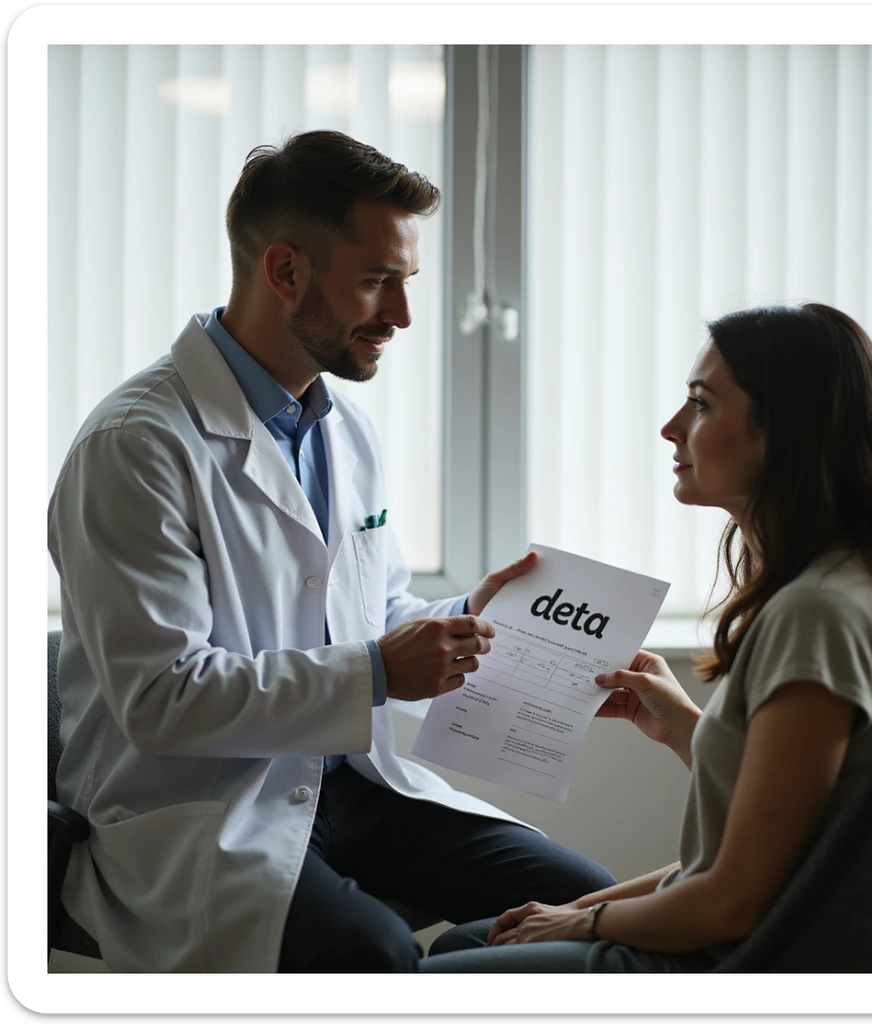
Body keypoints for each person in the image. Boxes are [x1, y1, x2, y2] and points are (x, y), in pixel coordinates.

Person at [47, 129, 615, 974]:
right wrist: (379, 671)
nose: (404, 315)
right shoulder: (136, 445)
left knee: (594, 909)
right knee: (371, 955)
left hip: (352, 781)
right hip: (202, 804)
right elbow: (161, 699)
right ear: (285, 271)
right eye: (379, 281)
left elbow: (368, 613)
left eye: (407, 282)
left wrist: (472, 621)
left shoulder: (342, 426)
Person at [420, 301, 872, 973]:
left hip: (755, 965)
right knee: (474, 940)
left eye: (702, 404)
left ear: (786, 431)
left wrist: (582, 919)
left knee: (443, 964)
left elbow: (733, 903)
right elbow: (786, 838)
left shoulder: (817, 615)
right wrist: (684, 728)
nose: (671, 428)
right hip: (797, 940)